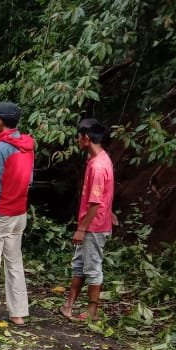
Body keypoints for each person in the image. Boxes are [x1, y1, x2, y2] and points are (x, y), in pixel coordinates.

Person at [0, 101, 36, 326]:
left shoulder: (0, 149)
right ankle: (18, 313)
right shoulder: (28, 146)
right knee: (14, 262)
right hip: (19, 212)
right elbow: (29, 180)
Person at [61, 118, 115, 321]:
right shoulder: (98, 160)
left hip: (94, 226)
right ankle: (68, 305)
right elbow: (104, 195)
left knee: (92, 268)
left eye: (78, 136)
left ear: (86, 137)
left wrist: (82, 228)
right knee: (79, 264)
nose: (77, 140)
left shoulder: (99, 166)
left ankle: (92, 311)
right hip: (93, 222)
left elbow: (95, 202)